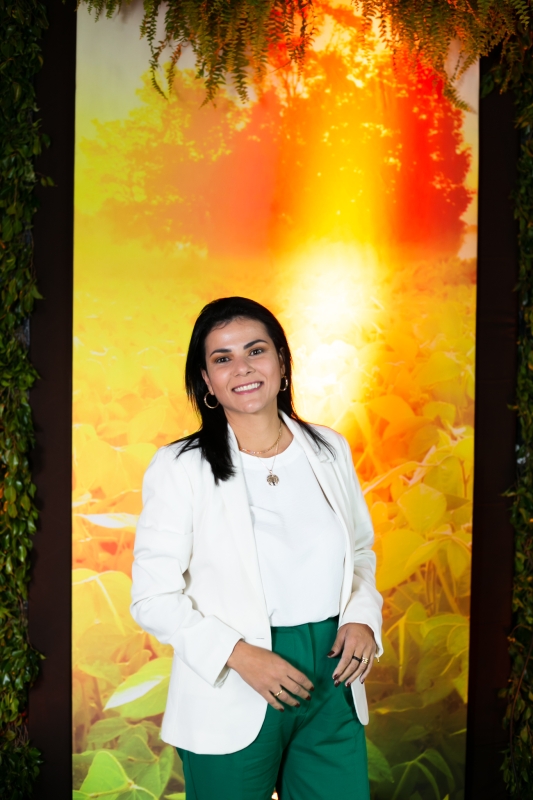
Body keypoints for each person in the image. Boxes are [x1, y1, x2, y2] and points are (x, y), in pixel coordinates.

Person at [131, 296, 383, 800]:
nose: (242, 368)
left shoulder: (329, 449)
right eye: (223, 358)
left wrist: (362, 618)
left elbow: (359, 551)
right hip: (233, 684)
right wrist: (239, 655)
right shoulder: (179, 467)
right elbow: (152, 598)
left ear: (281, 362)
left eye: (256, 350)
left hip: (333, 676)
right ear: (206, 380)